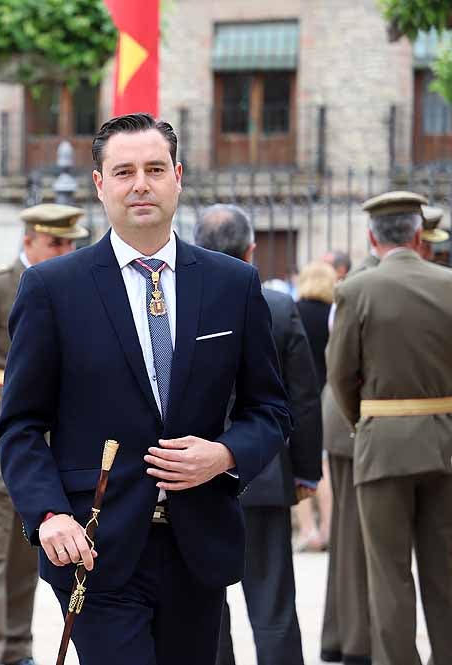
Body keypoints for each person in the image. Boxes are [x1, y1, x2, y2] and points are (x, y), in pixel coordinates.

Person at [0, 113, 290, 665]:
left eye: (155, 169)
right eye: (124, 171)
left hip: (198, 544)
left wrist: (225, 453)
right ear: (100, 184)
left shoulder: (233, 284)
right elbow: (20, 426)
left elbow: (270, 409)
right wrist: (49, 514)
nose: (141, 184)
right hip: (94, 544)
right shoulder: (51, 289)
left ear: (177, 176)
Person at [0, 203, 87, 665]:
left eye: (69, 243)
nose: (64, 250)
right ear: (28, 241)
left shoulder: (72, 286)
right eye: (54, 242)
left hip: (42, 438)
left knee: (28, 548)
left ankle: (15, 649)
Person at [328, 190, 452, 665]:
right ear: (420, 235)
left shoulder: (356, 290)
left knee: (389, 577)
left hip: (382, 446)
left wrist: (368, 418)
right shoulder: (447, 283)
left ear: (370, 237)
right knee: (445, 575)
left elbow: (339, 374)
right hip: (444, 445)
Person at [195, 205, 321, 665]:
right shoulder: (280, 305)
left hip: (197, 475)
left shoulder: (178, 302)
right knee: (273, 605)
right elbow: (302, 400)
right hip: (264, 473)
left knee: (208, 607)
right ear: (251, 251)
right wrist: (305, 471)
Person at [319, 257, 376, 665]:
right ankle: (353, 641)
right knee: (353, 539)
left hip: (351, 422)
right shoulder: (359, 285)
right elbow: (340, 368)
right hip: (359, 422)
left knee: (348, 538)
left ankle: (342, 636)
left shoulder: (355, 283)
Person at [293, 261, 338, 553]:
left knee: (298, 466)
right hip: (327, 396)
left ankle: (308, 531)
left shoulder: (292, 311)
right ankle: (329, 529)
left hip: (296, 398)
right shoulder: (333, 315)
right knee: (323, 468)